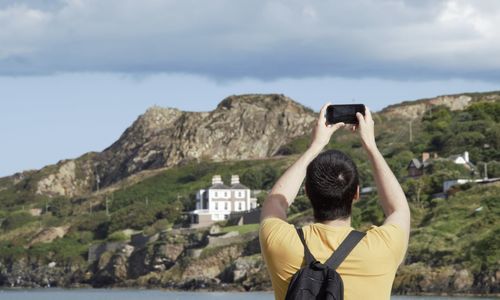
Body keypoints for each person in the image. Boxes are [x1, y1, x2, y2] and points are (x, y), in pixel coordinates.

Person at [259, 103, 410, 300]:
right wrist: (370, 146)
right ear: (356, 194)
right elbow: (397, 208)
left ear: (306, 192)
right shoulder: (382, 248)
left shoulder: (279, 243)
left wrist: (315, 146)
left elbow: (275, 202)